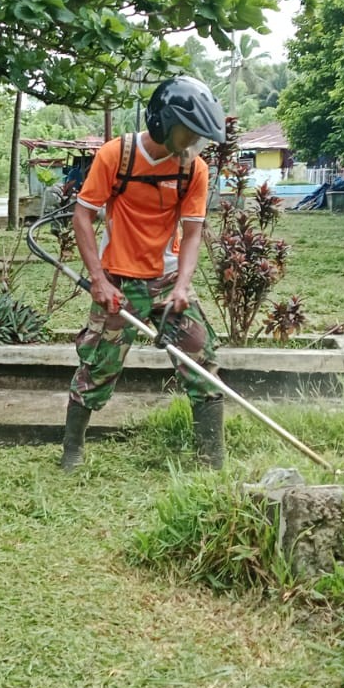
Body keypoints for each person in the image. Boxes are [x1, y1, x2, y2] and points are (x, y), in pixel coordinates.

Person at [61, 76, 228, 471]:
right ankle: (72, 452)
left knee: (203, 362)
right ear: (163, 122)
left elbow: (192, 232)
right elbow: (82, 216)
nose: (194, 145)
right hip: (117, 283)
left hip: (169, 283)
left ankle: (213, 459)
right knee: (98, 368)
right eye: (189, 133)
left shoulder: (194, 170)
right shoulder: (116, 156)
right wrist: (99, 280)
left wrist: (184, 285)